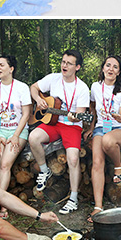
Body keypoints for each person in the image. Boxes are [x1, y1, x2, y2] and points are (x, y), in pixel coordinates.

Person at [29, 51, 90, 215]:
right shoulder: (53, 78)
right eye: (63, 62)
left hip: (72, 126)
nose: (64, 65)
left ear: (77, 67)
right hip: (53, 122)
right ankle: (44, 170)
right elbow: (33, 88)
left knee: (73, 158)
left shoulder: (82, 88)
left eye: (69, 63)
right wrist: (38, 100)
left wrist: (74, 116)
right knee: (33, 137)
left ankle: (74, 198)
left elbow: (80, 114)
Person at [87, 54, 121, 214]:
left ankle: (118, 166)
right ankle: (98, 206)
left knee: (107, 141)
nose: (110, 69)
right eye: (108, 65)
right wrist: (91, 127)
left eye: (115, 67)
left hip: (119, 128)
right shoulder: (95, 86)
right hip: (101, 127)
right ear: (103, 68)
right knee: (97, 162)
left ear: (119, 72)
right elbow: (93, 107)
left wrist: (117, 116)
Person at [0, 54, 32, 191]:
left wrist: (15, 135)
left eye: (1, 65)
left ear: (11, 69)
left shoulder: (22, 87)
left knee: (5, 164)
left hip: (17, 130)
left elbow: (26, 114)